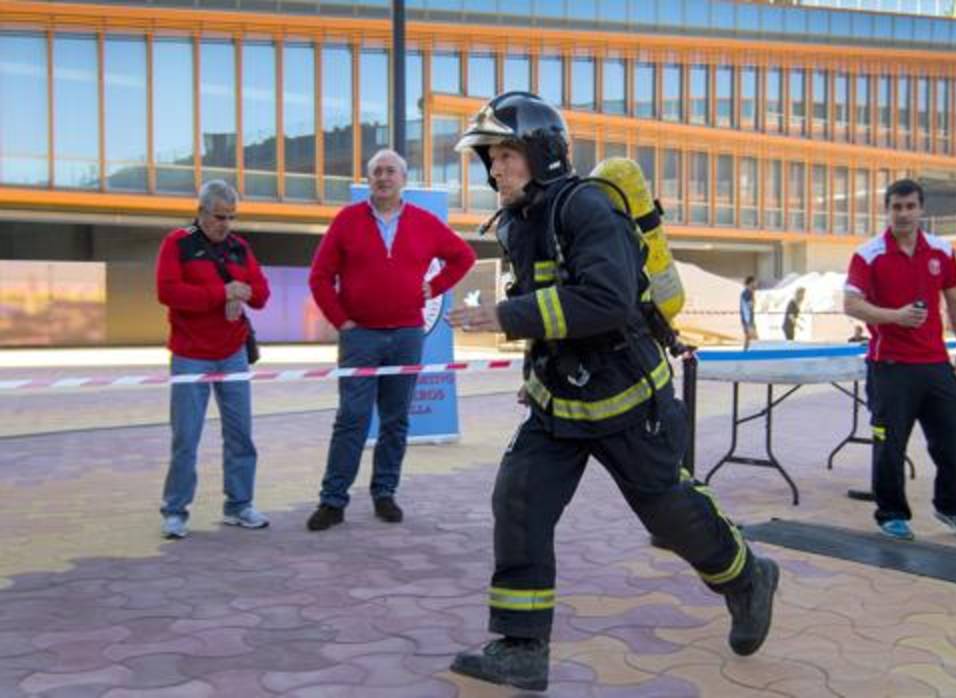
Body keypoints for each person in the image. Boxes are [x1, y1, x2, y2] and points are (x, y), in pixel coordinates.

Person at [445, 91, 778, 692]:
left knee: (669, 516)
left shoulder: (588, 208)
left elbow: (606, 302)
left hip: (629, 402)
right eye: (489, 158)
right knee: (518, 500)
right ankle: (522, 646)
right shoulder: (522, 223)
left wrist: (507, 315)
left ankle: (747, 578)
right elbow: (552, 315)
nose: (494, 170)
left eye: (505, 155)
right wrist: (532, 375)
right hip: (558, 404)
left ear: (542, 154)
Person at [306, 149, 476, 530]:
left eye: (390, 171)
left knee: (396, 421)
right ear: (370, 180)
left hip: (406, 335)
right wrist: (341, 320)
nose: (383, 177)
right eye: (377, 172)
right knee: (352, 419)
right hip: (360, 337)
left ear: (403, 179)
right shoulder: (348, 221)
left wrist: (433, 288)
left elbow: (462, 257)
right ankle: (332, 501)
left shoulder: (424, 222)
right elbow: (319, 276)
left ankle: (385, 494)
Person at [843, 178, 956, 543]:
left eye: (910, 207)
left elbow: (955, 300)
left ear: (921, 209)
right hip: (889, 365)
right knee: (889, 444)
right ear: (886, 210)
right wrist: (895, 316)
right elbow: (851, 304)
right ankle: (891, 513)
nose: (903, 214)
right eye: (896, 207)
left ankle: (951, 506)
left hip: (936, 364)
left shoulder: (941, 250)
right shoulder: (868, 254)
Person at [154, 180, 271, 539]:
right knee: (186, 437)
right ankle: (175, 511)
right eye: (220, 216)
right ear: (202, 212)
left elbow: (263, 294)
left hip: (233, 354)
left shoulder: (239, 247)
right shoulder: (177, 243)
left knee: (241, 435)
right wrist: (220, 293)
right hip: (191, 356)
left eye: (232, 217)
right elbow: (168, 292)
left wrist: (243, 291)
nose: (226, 224)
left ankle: (239, 506)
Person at [740, 275, 758, 348]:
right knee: (754, 339)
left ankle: (745, 354)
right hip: (748, 320)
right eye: (755, 282)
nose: (756, 284)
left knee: (749, 338)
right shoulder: (747, 293)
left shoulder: (747, 292)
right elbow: (750, 306)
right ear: (751, 283)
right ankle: (749, 355)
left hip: (748, 319)